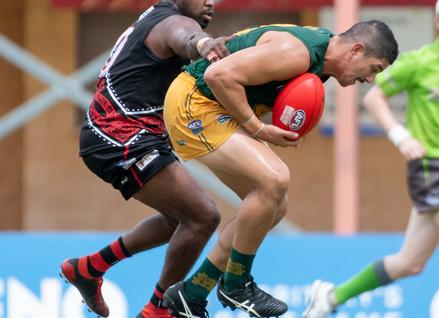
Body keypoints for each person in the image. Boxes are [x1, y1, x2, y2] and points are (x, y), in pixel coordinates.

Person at [161, 21, 399, 317]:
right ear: (356, 50)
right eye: (374, 69)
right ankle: (235, 283)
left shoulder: (321, 54)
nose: (370, 79)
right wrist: (257, 128)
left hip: (218, 106)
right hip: (194, 103)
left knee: (274, 206)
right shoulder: (298, 52)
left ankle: (193, 292)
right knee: (274, 179)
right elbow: (217, 75)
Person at [303, 0, 439, 318]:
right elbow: (374, 99)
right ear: (438, 23)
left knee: (411, 262)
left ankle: (331, 297)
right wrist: (400, 135)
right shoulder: (418, 62)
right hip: (428, 167)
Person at [59, 0, 232, 318]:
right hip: (119, 137)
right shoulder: (173, 22)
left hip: (123, 136)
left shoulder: (154, 17)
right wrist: (202, 45)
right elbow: (185, 38)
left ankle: (89, 268)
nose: (211, 1)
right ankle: (157, 311)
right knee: (203, 217)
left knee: (179, 221)